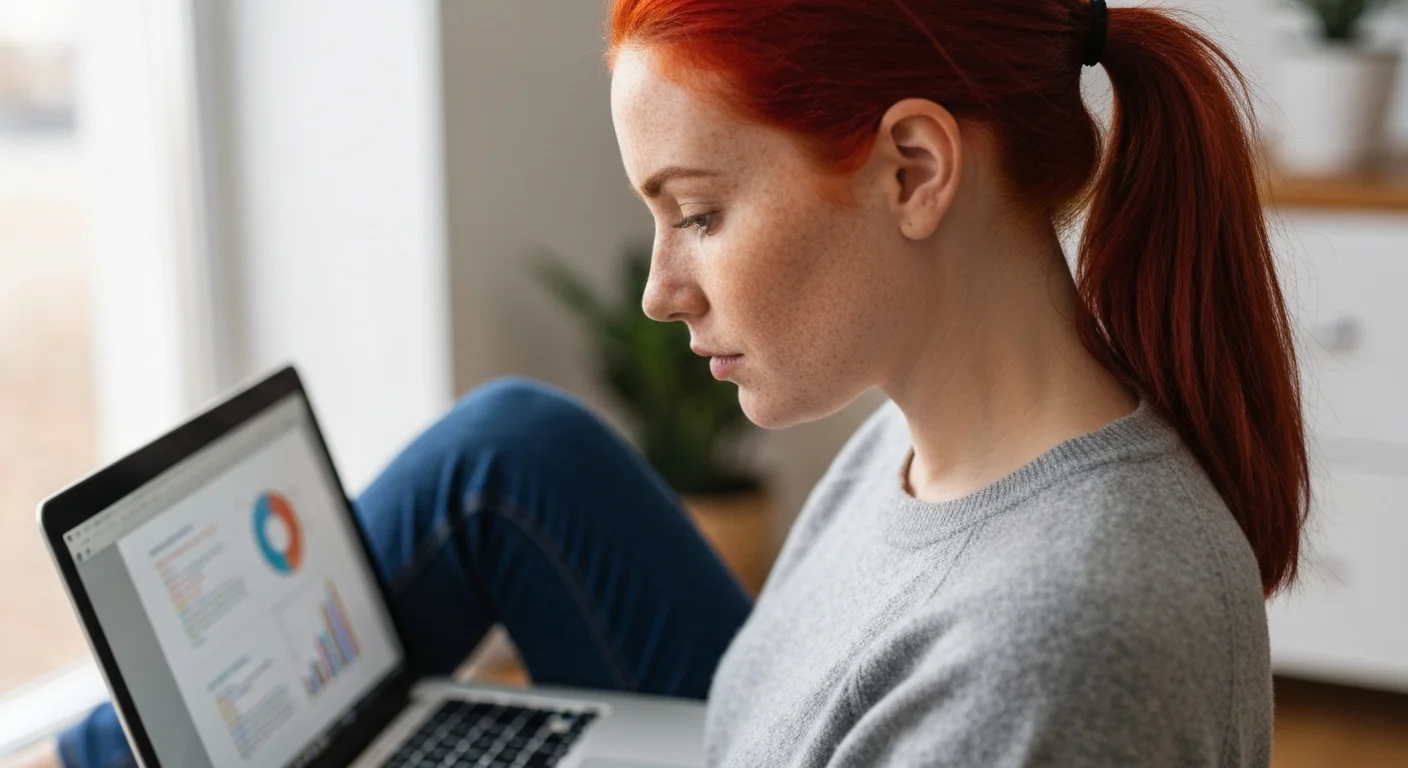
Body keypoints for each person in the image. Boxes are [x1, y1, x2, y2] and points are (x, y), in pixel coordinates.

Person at [14, 0, 1309, 766]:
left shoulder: (1052, 648)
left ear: (914, 169)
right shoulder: (934, 433)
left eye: (697, 211)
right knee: (510, 451)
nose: (659, 291)